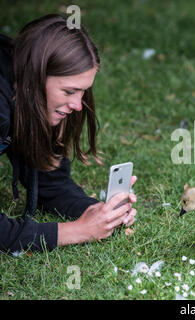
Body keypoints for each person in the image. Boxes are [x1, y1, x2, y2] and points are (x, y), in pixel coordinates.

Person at [0, 14, 137, 253]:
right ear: (35, 77)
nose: (77, 105)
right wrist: (78, 231)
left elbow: (50, 182)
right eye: (69, 91)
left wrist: (92, 212)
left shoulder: (30, 95)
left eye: (83, 92)